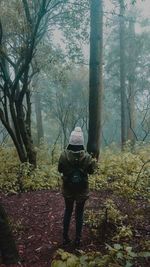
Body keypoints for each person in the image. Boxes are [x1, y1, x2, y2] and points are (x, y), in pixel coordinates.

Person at [58, 127, 96, 247]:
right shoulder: (88, 157)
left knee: (68, 211)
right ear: (82, 142)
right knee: (79, 214)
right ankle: (78, 239)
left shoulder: (63, 155)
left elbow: (60, 169)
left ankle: (65, 238)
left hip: (68, 189)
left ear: (71, 141)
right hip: (82, 190)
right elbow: (91, 171)